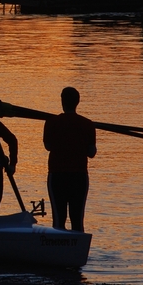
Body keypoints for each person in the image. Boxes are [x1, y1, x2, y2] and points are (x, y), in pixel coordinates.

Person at [43, 87, 97, 232]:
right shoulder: (88, 124)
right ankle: (76, 250)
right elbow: (91, 153)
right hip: (79, 177)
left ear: (62, 101)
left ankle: (58, 251)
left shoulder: (51, 122)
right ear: (77, 102)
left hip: (57, 176)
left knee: (58, 220)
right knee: (77, 220)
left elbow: (48, 146)